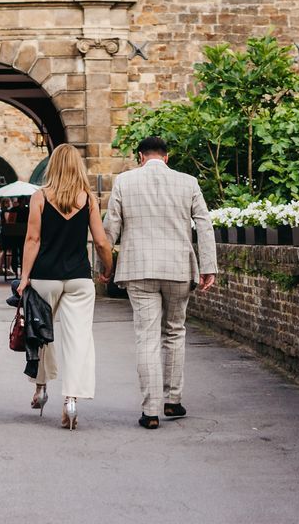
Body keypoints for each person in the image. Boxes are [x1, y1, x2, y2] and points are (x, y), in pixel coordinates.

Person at [104, 134, 218, 430]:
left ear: (140, 156)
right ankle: (173, 400)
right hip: (179, 267)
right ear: (166, 157)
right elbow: (204, 224)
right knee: (175, 331)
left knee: (147, 336)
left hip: (139, 268)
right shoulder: (188, 182)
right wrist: (209, 266)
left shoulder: (124, 182)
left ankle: (151, 410)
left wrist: (105, 265)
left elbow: (111, 226)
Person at [16, 145, 112, 431]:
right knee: (79, 339)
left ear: (53, 165)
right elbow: (101, 242)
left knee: (42, 334)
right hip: (79, 278)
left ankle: (41, 388)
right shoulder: (89, 199)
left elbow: (32, 240)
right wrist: (108, 267)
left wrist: (24, 277)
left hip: (45, 276)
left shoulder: (40, 197)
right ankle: (71, 400)